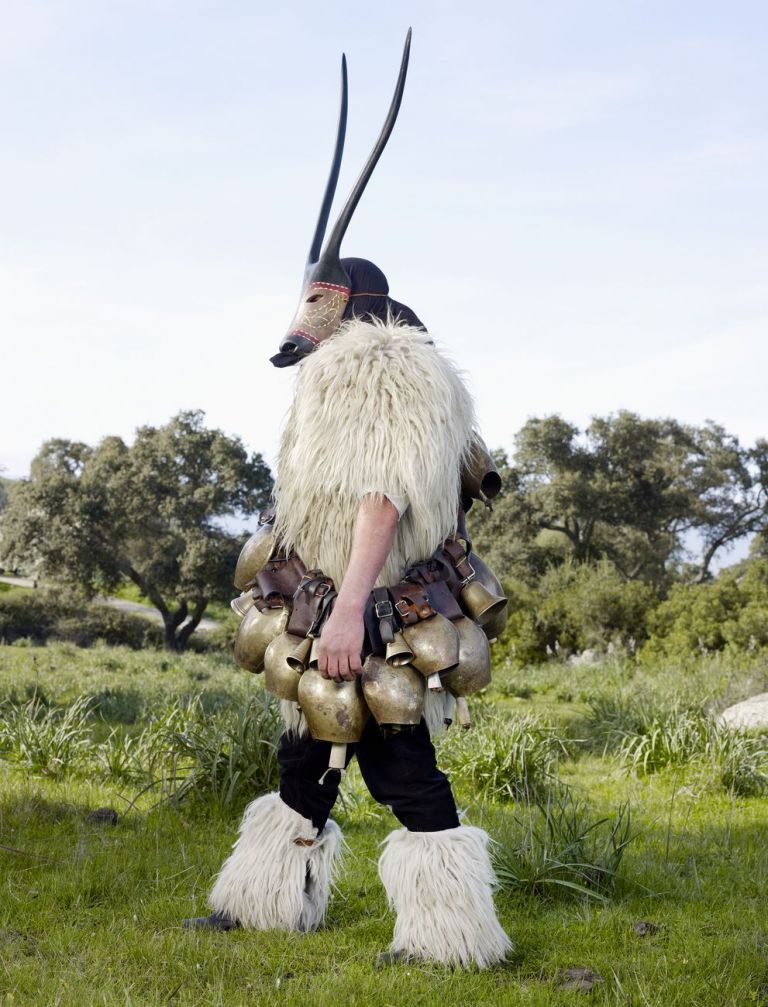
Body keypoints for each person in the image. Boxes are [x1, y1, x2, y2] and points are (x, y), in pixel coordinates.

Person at [183, 32, 511, 970]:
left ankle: (451, 936)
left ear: (353, 304)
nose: (305, 320)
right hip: (332, 592)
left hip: (372, 598)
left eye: (321, 302)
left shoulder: (380, 368)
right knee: (306, 752)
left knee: (400, 761)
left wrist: (354, 606)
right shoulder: (354, 368)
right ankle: (262, 903)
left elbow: (379, 499)